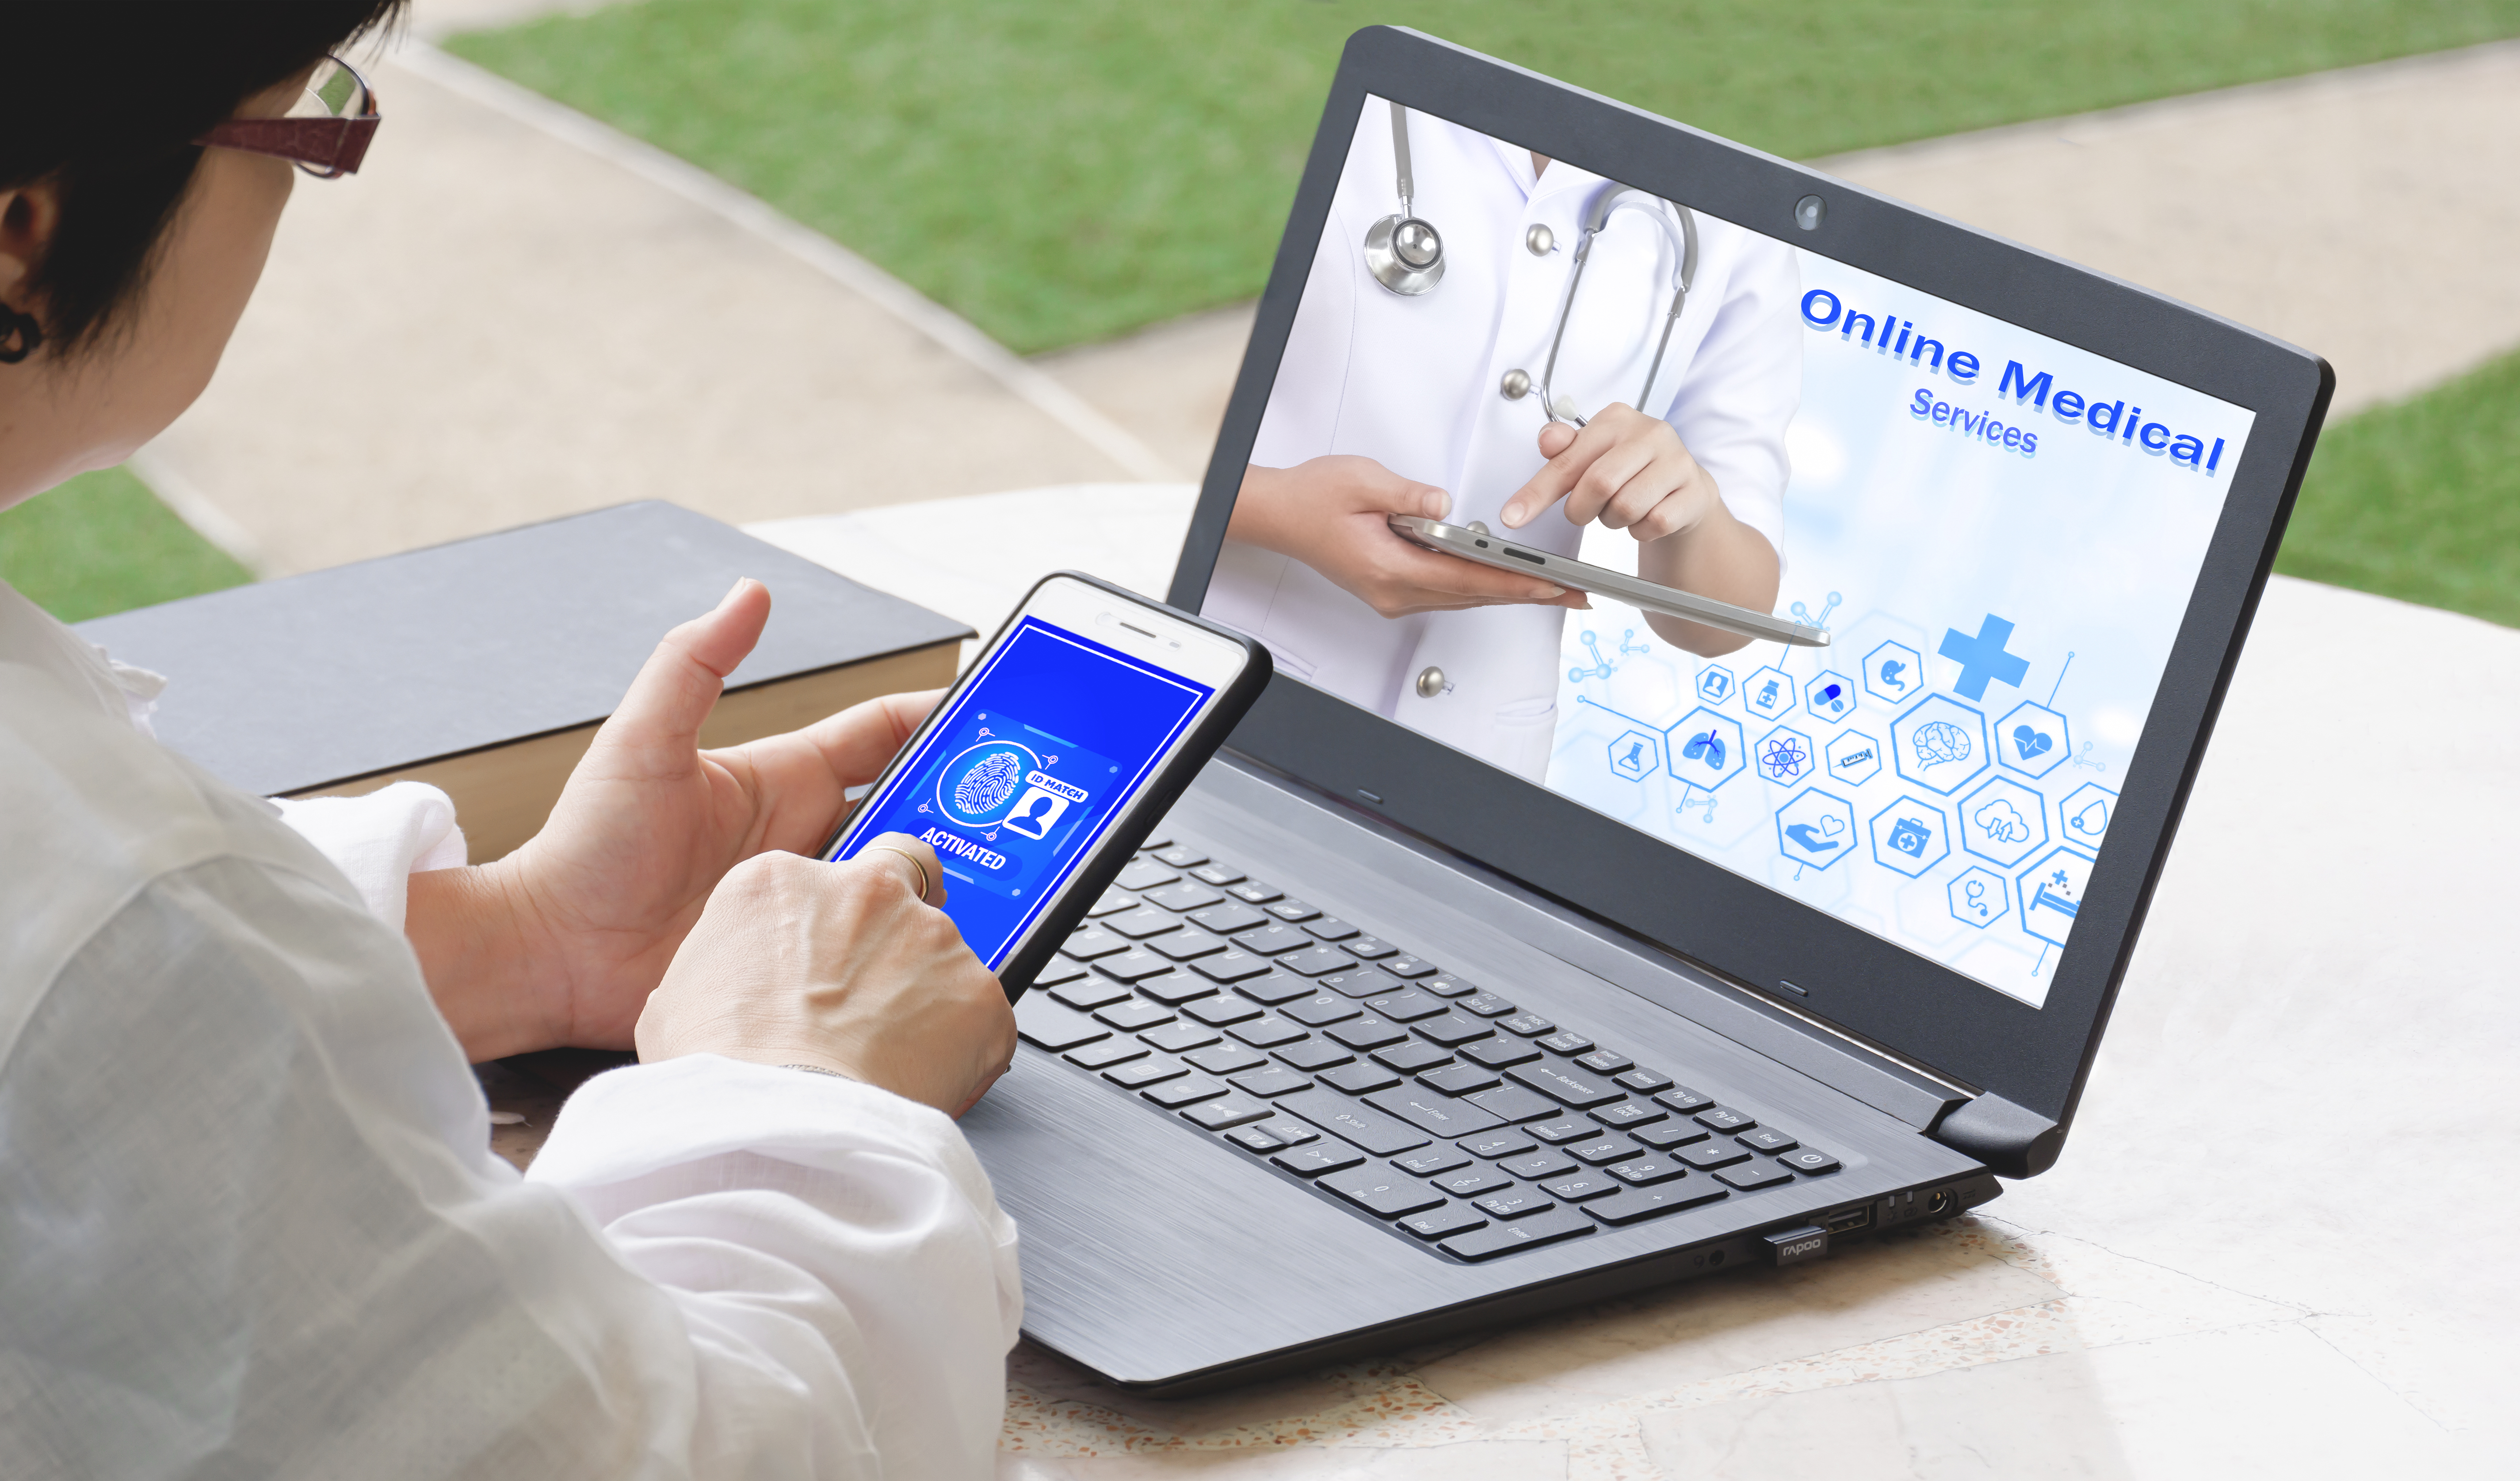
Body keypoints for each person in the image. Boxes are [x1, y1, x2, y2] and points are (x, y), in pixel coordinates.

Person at [0, 8, 1022, 1476]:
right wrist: (789, 1084)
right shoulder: (114, 906)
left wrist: (519, 936)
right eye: (300, 129)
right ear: (23, 231)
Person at [1203, 104, 1802, 779]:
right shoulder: (1359, 105)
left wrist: (1689, 510)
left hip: (1475, 766)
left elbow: (1721, 622)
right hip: (1225, 694)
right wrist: (1278, 511)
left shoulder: (1739, 224)